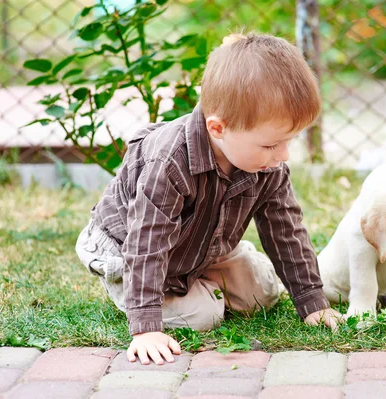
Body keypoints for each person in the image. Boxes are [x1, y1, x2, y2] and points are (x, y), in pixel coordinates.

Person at [75, 32, 342, 366]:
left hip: (202, 244)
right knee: (203, 317)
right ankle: (155, 290)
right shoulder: (169, 161)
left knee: (265, 293)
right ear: (218, 129)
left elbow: (286, 231)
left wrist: (312, 302)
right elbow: (147, 240)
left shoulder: (267, 164)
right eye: (272, 144)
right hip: (128, 248)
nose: (282, 155)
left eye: (290, 141)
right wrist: (145, 326)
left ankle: (201, 277)